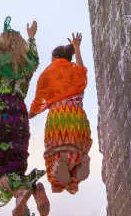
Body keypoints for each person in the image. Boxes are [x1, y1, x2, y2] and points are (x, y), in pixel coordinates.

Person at [0, 10, 49, 216]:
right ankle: (24, 191)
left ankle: (24, 191)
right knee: (16, 163)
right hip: (20, 118)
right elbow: (34, 56)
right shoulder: (27, 67)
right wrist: (32, 37)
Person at [28, 33, 92, 194]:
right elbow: (83, 70)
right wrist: (77, 49)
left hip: (59, 117)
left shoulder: (48, 74)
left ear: (54, 57)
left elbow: (38, 101)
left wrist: (29, 115)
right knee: (78, 151)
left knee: (55, 157)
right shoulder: (74, 70)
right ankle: (79, 163)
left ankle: (61, 166)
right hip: (77, 116)